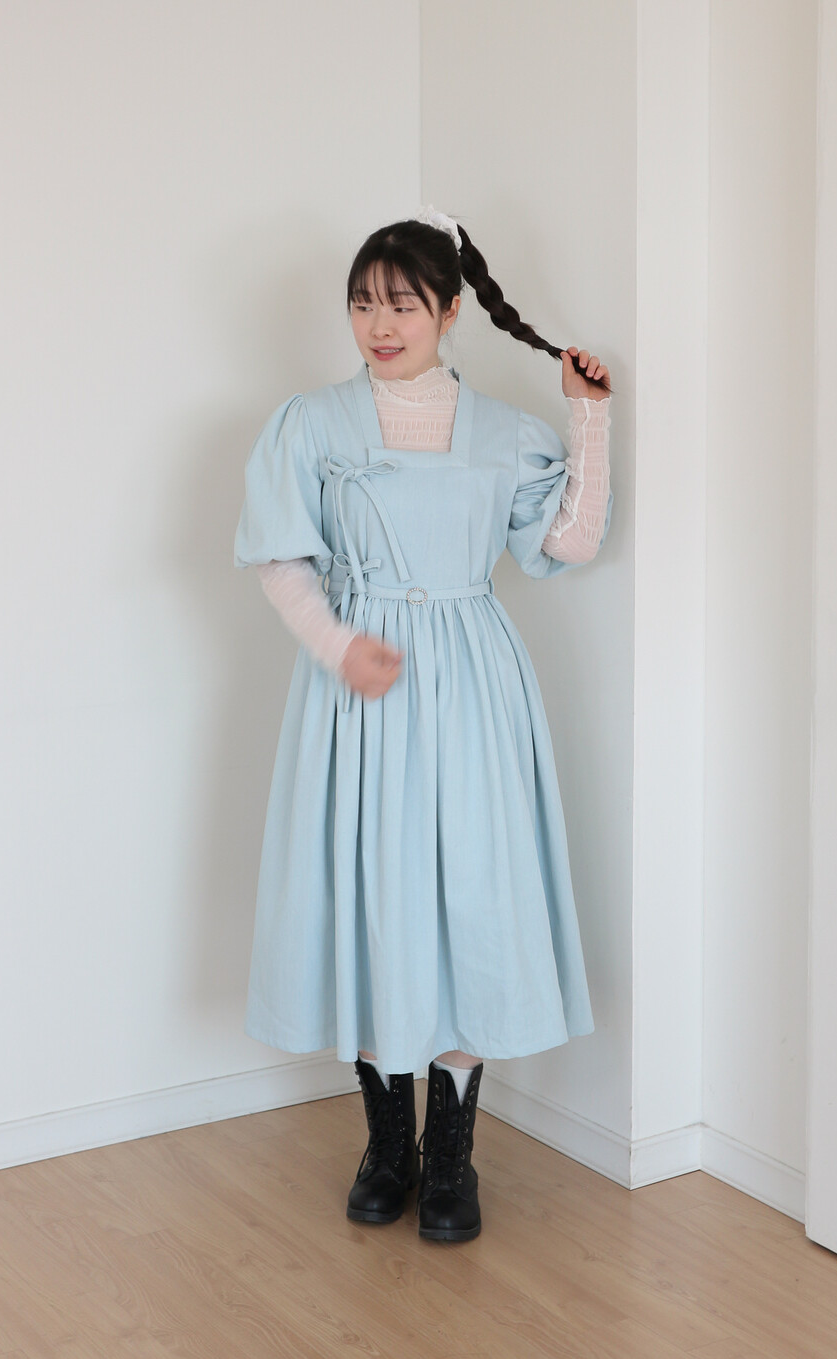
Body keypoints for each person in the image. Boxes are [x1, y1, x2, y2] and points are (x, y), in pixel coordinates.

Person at [233, 206, 613, 1243]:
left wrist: (588, 416)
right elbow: (280, 559)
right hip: (361, 685)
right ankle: (386, 1146)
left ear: (449, 312)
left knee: (469, 901)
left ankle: (451, 1155)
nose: (379, 324)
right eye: (362, 303)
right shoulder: (312, 423)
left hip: (472, 682)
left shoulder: (506, 433)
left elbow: (569, 543)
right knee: (371, 895)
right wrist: (337, 646)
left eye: (401, 304)